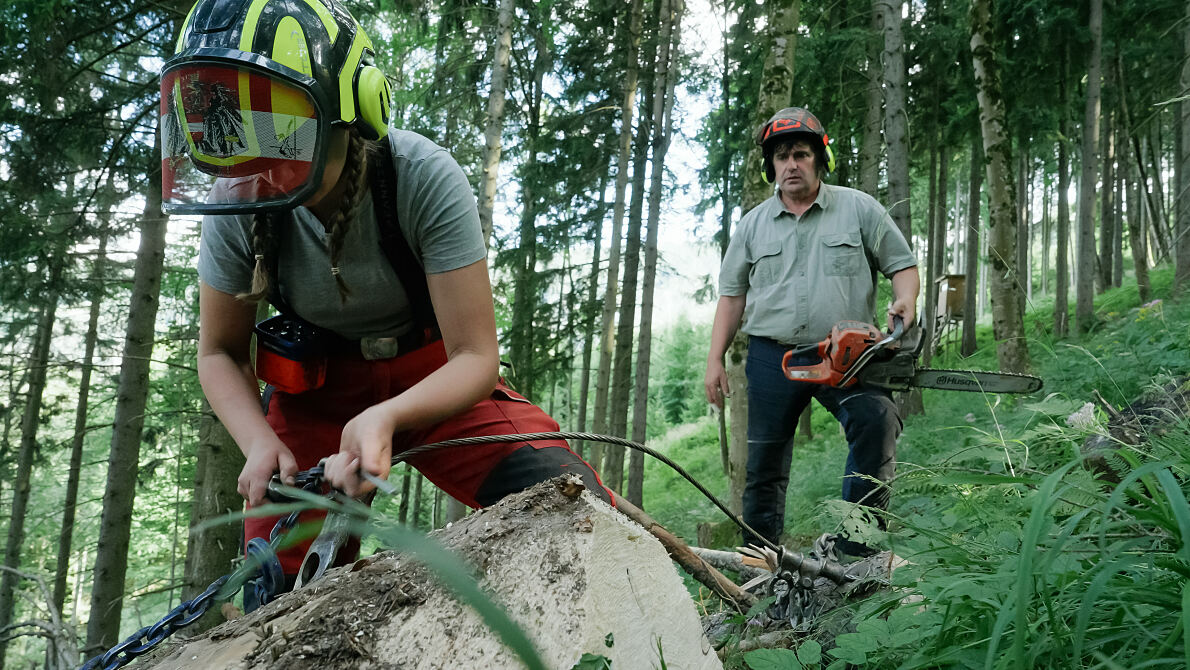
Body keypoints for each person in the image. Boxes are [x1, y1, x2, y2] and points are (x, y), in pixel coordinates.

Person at [161, 0, 611, 604]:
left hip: (438, 382)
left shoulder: (420, 175)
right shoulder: (237, 198)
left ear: (353, 110)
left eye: (284, 121)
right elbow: (219, 351)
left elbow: (476, 357)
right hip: (315, 396)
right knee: (276, 593)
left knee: (571, 504)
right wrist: (260, 443)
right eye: (241, 123)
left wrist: (390, 415)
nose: (263, 155)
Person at [703, 107, 919, 556]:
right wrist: (714, 359)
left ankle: (856, 550)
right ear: (771, 166)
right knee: (763, 463)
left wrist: (906, 298)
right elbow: (731, 296)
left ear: (820, 159)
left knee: (876, 423)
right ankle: (758, 559)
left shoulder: (859, 209)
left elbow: (902, 266)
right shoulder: (752, 225)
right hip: (771, 355)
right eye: (782, 157)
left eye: (801, 153)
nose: (791, 164)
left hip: (847, 354)